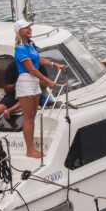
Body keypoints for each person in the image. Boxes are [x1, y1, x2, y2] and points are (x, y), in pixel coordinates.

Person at [14, 20, 66, 158]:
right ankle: (30, 150)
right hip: (25, 81)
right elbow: (30, 68)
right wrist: (47, 80)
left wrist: (54, 64)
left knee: (32, 116)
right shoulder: (20, 48)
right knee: (28, 118)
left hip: (34, 82)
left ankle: (31, 148)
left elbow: (38, 60)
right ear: (19, 31)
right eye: (26, 28)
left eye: (29, 27)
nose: (29, 29)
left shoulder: (30, 45)